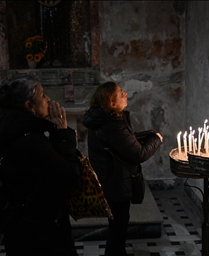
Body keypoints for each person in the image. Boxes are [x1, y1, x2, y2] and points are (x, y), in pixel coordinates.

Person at [0, 76, 81, 256]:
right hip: (43, 235)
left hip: (22, 231)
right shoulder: (30, 141)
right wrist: (64, 135)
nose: (48, 99)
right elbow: (69, 175)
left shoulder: (12, 132)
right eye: (43, 95)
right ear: (29, 106)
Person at [82, 81, 163, 256]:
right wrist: (156, 139)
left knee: (117, 225)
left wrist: (146, 135)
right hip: (115, 182)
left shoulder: (102, 119)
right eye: (120, 93)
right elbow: (139, 153)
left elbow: (126, 141)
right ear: (112, 103)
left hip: (110, 179)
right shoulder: (112, 125)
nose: (125, 93)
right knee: (118, 226)